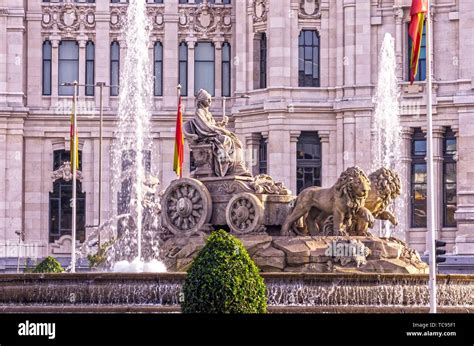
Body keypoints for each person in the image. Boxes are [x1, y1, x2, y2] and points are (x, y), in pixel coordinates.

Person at [185, 89, 250, 177]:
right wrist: (222, 130)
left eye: (210, 99)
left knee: (237, 141)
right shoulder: (199, 112)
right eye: (207, 99)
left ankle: (237, 167)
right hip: (206, 137)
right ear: (201, 100)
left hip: (211, 134)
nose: (210, 101)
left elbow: (213, 125)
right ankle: (225, 164)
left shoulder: (207, 113)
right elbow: (205, 127)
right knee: (227, 139)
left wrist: (221, 124)